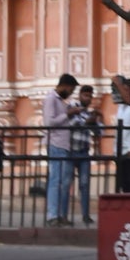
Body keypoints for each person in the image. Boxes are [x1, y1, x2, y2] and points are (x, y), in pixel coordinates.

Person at [42, 73, 78, 224]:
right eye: (71, 90)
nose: (71, 93)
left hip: (64, 144)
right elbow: (49, 122)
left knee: (64, 182)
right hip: (55, 143)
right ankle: (52, 215)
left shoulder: (61, 101)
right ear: (65, 86)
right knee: (55, 180)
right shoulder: (51, 99)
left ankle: (61, 214)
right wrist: (67, 114)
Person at [70, 85, 101, 225]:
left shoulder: (89, 113)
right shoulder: (72, 109)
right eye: (85, 95)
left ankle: (85, 215)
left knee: (85, 184)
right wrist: (91, 121)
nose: (88, 98)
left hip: (84, 152)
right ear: (80, 95)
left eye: (90, 96)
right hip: (70, 151)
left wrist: (95, 122)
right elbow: (76, 124)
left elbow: (99, 132)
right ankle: (62, 215)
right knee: (66, 184)